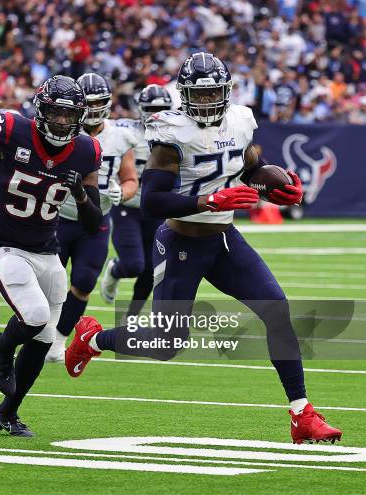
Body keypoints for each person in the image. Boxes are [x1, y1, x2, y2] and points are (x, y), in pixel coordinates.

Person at [64, 52, 342, 445]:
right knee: (165, 344)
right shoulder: (171, 132)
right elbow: (152, 201)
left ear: (226, 93)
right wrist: (207, 202)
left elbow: (247, 167)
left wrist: (277, 183)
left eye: (215, 93)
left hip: (223, 238)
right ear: (186, 95)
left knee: (276, 310)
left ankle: (302, 414)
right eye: (202, 94)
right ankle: (92, 339)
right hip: (182, 240)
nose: (209, 102)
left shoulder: (241, 121)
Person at [0, 75, 102, 436]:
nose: (61, 121)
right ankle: (1, 343)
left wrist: (79, 195)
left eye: (68, 114)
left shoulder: (87, 150)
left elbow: (94, 223)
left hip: (46, 249)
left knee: (45, 338)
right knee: (34, 315)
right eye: (55, 113)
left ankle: (8, 412)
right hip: (1, 242)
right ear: (41, 110)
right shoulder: (12, 128)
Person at [45, 73, 137, 362]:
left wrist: (122, 193)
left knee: (84, 281)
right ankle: (43, 332)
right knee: (49, 282)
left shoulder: (121, 135)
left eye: (100, 101)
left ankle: (59, 339)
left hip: (96, 219)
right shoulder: (58, 130)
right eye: (90, 102)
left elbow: (131, 178)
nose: (95, 107)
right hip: (57, 216)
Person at [99, 85, 172, 317]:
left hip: (156, 209)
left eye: (162, 109)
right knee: (133, 265)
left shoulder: (178, 136)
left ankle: (131, 317)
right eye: (152, 109)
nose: (157, 114)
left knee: (153, 269)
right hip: (127, 207)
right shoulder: (126, 132)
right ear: (141, 109)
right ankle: (115, 269)